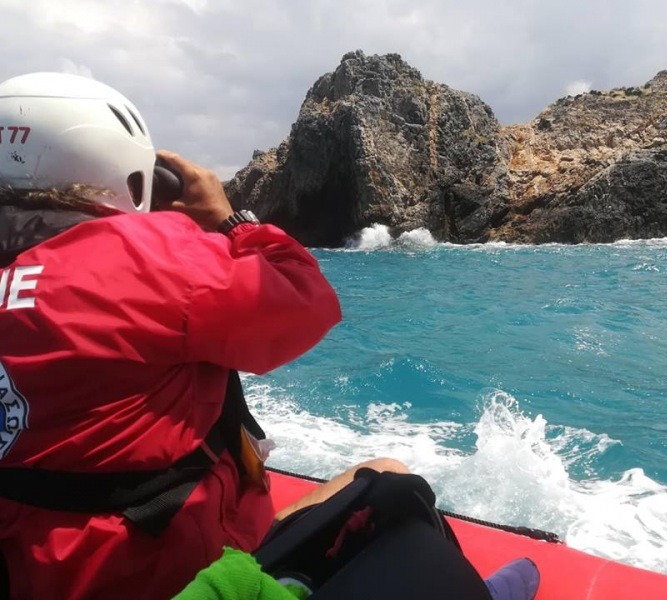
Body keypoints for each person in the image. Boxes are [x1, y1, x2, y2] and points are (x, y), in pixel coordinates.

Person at [0, 71, 405, 600]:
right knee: (390, 478)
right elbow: (309, 302)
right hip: (168, 576)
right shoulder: (154, 260)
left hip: (29, 572)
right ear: (132, 176)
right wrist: (229, 219)